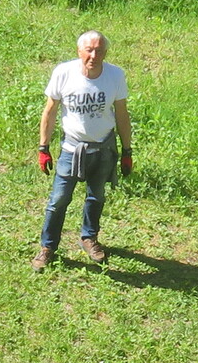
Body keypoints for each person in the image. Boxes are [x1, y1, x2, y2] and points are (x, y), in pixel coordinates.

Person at [33, 30, 132, 269]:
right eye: (89, 50)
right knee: (58, 199)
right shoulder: (64, 73)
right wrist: (43, 147)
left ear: (105, 53)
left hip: (103, 149)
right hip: (72, 149)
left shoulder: (115, 75)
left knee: (96, 196)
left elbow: (122, 114)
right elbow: (50, 111)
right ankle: (48, 247)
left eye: (99, 50)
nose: (93, 55)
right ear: (79, 51)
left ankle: (89, 238)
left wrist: (127, 151)